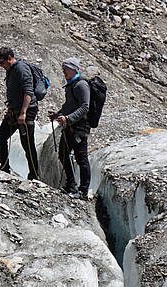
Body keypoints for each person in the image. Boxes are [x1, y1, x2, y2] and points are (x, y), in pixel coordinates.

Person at [0, 47, 40, 180]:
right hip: (14, 111)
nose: (1, 66)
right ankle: (5, 168)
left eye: (2, 63)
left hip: (26, 111)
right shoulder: (11, 70)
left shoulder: (21, 69)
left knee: (27, 144)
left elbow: (28, 91)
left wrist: (23, 112)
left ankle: (34, 175)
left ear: (9, 58)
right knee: (0, 138)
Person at [50, 57, 90, 199]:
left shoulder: (81, 85)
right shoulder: (72, 85)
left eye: (65, 69)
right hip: (70, 126)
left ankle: (83, 191)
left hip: (79, 128)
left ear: (73, 69)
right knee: (63, 154)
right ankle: (71, 185)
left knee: (81, 158)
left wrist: (68, 118)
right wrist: (58, 115)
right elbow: (69, 106)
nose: (63, 71)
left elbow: (85, 107)